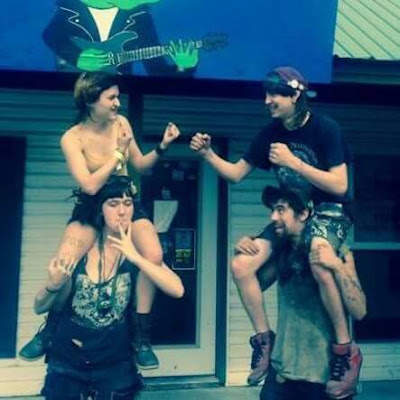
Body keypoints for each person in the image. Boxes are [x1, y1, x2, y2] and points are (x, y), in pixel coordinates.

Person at [190, 66, 357, 386]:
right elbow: (236, 174)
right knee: (241, 265)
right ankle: (265, 341)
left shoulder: (325, 128)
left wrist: (294, 162)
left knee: (319, 259)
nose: (267, 100)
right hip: (291, 214)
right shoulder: (271, 133)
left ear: (295, 96)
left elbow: (340, 185)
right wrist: (208, 154)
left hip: (329, 211)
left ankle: (344, 350)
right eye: (266, 94)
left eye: (275, 94)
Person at [19, 71, 180, 369]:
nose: (118, 103)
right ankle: (50, 329)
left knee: (154, 255)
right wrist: (117, 153)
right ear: (91, 101)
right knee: (66, 260)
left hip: (124, 199)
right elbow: (90, 185)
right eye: (111, 98)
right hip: (92, 203)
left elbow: (141, 165)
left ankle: (141, 337)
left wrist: (163, 146)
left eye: (118, 96)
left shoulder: (122, 123)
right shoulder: (72, 138)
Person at [35, 175, 185, 400]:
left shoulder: (138, 252)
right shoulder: (80, 250)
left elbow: (177, 289)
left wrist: (136, 258)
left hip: (115, 364)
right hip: (68, 362)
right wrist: (53, 285)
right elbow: (38, 306)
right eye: (113, 204)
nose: (122, 211)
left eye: (127, 204)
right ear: (100, 209)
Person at [253, 185, 366, 400]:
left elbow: (359, 311)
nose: (273, 216)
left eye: (281, 209)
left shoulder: (337, 252)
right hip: (282, 373)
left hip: (327, 377)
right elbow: (255, 284)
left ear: (303, 213)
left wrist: (336, 266)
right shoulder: (282, 254)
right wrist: (248, 247)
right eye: (273, 210)